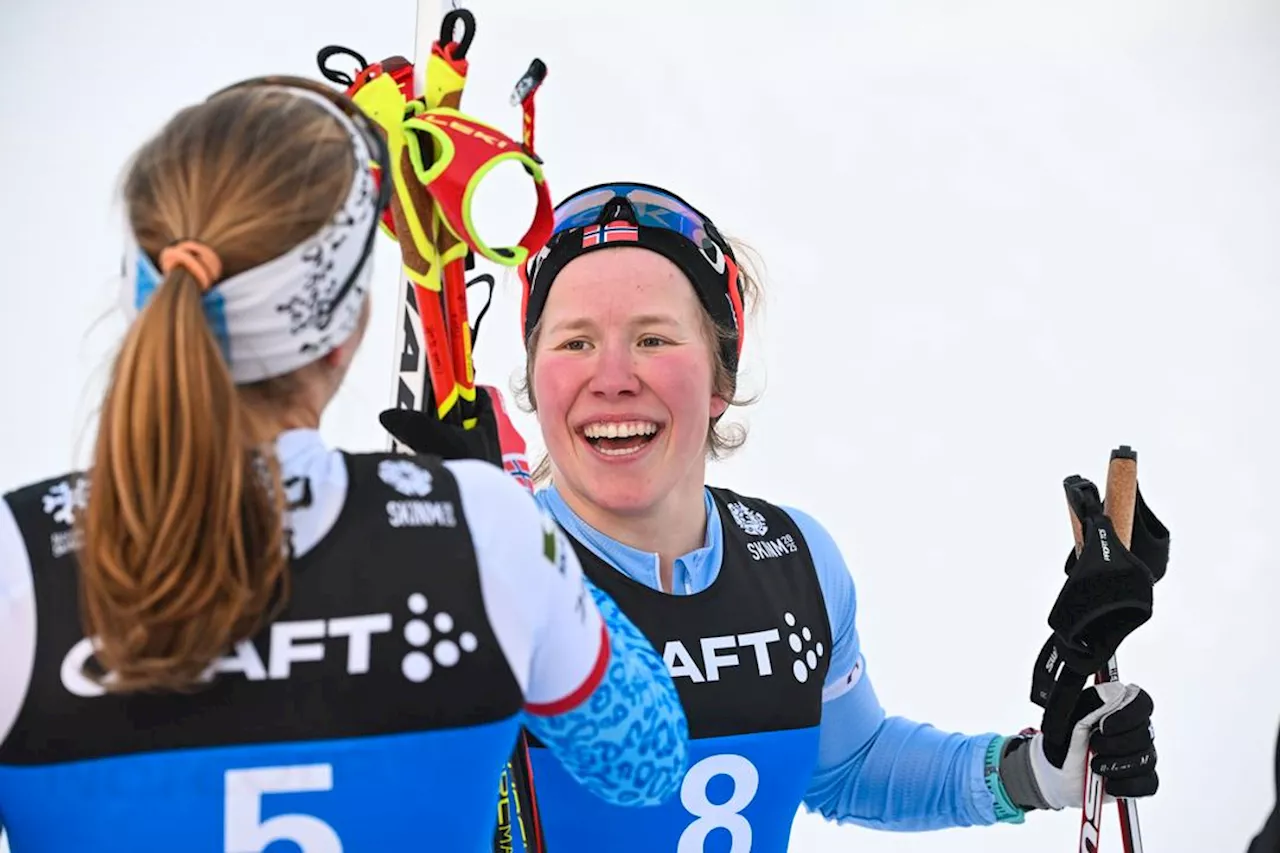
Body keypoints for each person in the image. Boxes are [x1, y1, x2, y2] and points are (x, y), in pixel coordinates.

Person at [0, 87, 688, 852]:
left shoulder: (14, 558)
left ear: (143, 296)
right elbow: (647, 758)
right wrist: (518, 524)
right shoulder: (483, 530)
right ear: (347, 326)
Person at [384, 181, 1162, 851]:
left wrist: (1033, 771)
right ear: (535, 378)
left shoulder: (793, 563)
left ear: (719, 378)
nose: (612, 377)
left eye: (653, 338)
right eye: (575, 341)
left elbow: (851, 762)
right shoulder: (469, 575)